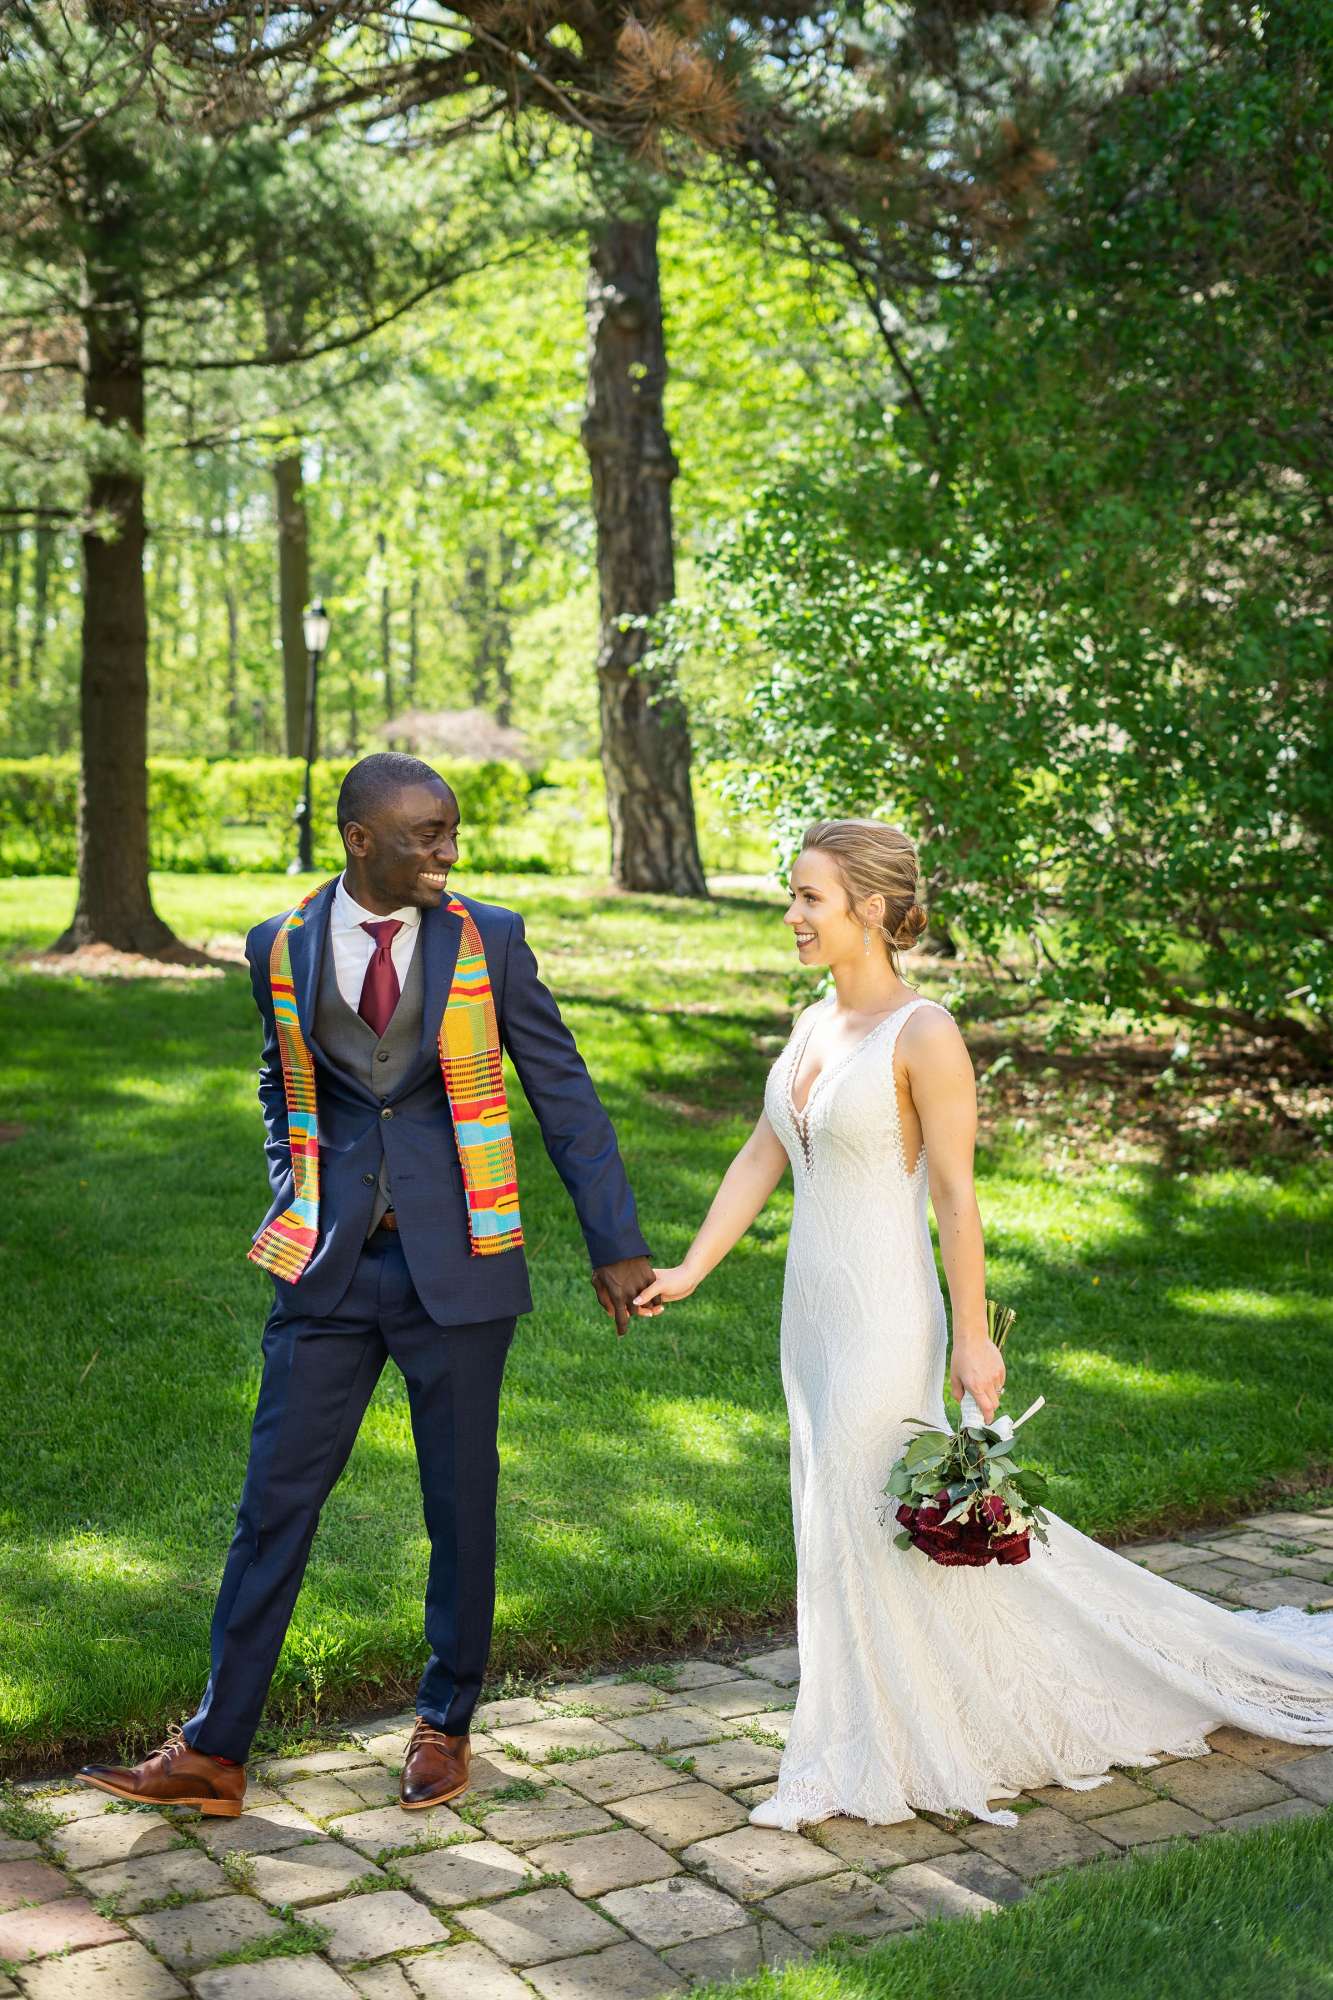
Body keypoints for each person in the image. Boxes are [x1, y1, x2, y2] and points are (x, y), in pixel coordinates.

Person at [633, 817, 1333, 1830]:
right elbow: (759, 1151)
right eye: (791, 895)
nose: (789, 914)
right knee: (832, 1512)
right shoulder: (810, 1022)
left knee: (870, 1510)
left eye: (807, 897)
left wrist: (974, 1335)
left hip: (885, 1309)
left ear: (869, 910)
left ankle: (870, 1742)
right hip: (810, 1315)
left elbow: (956, 1199)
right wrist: (693, 1266)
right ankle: (868, 1717)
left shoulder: (925, 1032)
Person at [77, 753, 655, 1819]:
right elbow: (274, 1077)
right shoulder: (281, 944)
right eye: (426, 834)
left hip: (463, 1260)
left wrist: (613, 1238)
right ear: (360, 839)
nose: (447, 851)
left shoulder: (490, 937)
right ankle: (215, 1748)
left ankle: (446, 1721)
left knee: (459, 1500)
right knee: (272, 1503)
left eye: (450, 831)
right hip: (328, 1266)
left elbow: (561, 1088)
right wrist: (292, 1180)